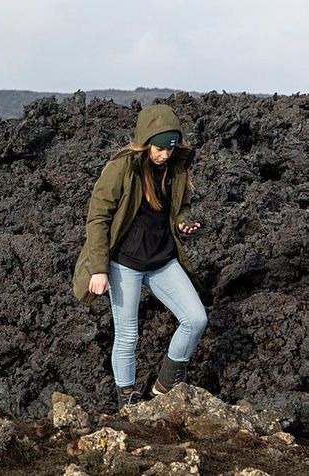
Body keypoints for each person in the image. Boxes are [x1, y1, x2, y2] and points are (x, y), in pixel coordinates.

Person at [72, 104, 207, 409]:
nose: (165, 155)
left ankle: (165, 385)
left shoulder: (175, 167)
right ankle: (127, 401)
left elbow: (180, 206)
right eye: (159, 149)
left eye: (171, 149)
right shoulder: (121, 168)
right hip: (125, 264)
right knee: (128, 336)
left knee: (196, 319)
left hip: (162, 261)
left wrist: (183, 220)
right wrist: (98, 269)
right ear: (145, 142)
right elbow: (98, 219)